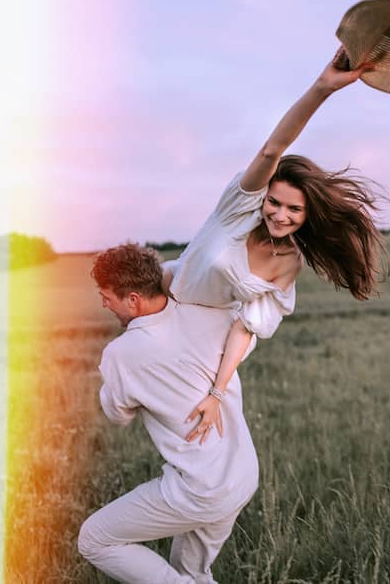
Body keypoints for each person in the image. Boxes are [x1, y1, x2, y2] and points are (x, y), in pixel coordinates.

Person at [162, 60, 389, 442]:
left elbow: (245, 326)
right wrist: (323, 87)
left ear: (307, 213)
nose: (280, 215)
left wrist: (217, 393)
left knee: (201, 444)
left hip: (204, 342)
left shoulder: (288, 262)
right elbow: (272, 150)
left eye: (294, 209)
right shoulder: (239, 207)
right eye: (275, 202)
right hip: (164, 303)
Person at [78, 243, 259, 584]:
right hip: (243, 475)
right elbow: (246, 342)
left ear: (133, 299)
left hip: (200, 489)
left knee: (94, 539)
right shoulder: (206, 312)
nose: (104, 304)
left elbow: (118, 415)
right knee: (192, 572)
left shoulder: (121, 354)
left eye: (107, 297)